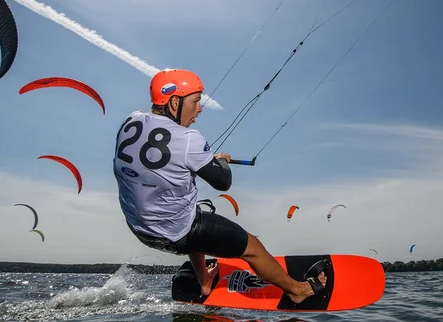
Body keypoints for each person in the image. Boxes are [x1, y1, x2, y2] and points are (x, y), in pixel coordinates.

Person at [113, 69, 328, 303]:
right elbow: (222, 182)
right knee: (252, 246)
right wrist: (222, 162)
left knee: (194, 214)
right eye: (195, 101)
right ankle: (296, 290)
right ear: (175, 102)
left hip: (139, 227)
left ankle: (205, 282)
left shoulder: (130, 121)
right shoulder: (188, 139)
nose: (199, 109)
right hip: (177, 232)